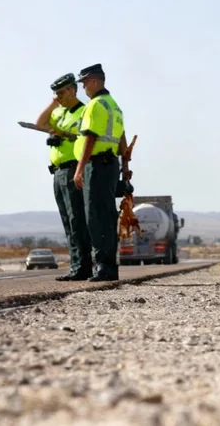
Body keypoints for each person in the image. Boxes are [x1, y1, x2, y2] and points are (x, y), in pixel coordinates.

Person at [72, 63, 129, 282]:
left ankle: (104, 267)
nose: (83, 87)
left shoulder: (96, 105)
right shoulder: (114, 106)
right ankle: (108, 266)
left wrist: (79, 170)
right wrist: (125, 167)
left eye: (85, 82)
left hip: (96, 166)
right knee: (106, 216)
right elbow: (123, 139)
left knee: (96, 218)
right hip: (110, 165)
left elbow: (91, 137)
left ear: (95, 81)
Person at [34, 72, 93, 281]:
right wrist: (53, 103)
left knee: (77, 220)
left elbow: (86, 137)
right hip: (58, 171)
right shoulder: (60, 113)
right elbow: (40, 123)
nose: (58, 97)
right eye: (55, 94)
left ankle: (83, 266)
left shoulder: (84, 111)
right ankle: (77, 265)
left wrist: (65, 136)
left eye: (61, 93)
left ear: (72, 90)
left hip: (73, 168)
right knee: (68, 222)